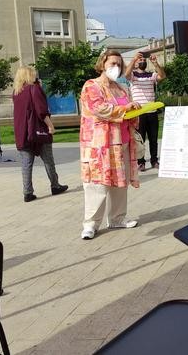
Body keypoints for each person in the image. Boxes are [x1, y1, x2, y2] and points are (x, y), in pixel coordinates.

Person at [80, 50, 141, 240]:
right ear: (102, 64)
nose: (116, 67)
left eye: (119, 64)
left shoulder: (121, 88)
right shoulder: (92, 85)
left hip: (121, 141)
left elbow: (128, 112)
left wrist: (136, 109)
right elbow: (99, 109)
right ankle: (91, 224)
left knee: (119, 183)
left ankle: (117, 218)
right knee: (97, 184)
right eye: (112, 63)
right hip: (100, 145)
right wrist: (125, 109)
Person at [12, 66, 68, 203]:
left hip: (22, 132)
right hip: (38, 131)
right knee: (48, 160)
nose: (36, 76)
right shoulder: (34, 88)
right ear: (29, 75)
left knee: (26, 164)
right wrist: (50, 125)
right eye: (34, 74)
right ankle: (55, 185)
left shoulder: (16, 92)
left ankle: (27, 192)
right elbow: (41, 110)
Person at [124, 51, 165, 171]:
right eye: (139, 60)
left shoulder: (151, 75)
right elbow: (126, 74)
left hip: (152, 112)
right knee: (140, 139)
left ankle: (154, 160)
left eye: (143, 60)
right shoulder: (133, 76)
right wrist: (133, 59)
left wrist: (156, 63)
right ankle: (140, 162)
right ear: (136, 64)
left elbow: (162, 76)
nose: (142, 61)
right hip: (139, 113)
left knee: (153, 138)